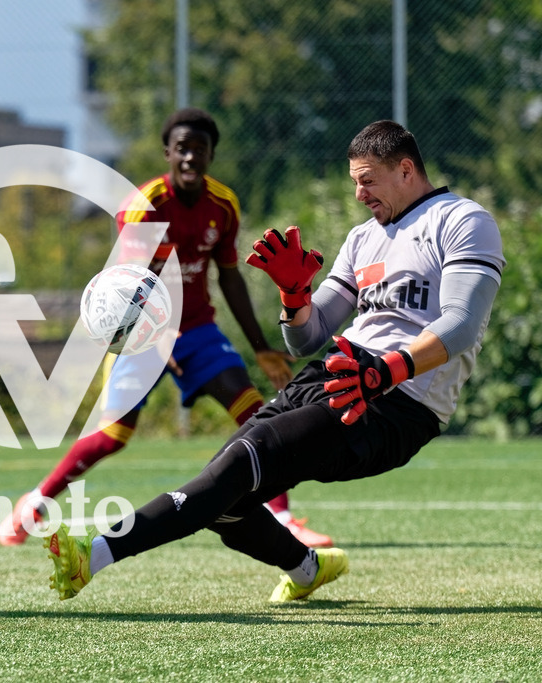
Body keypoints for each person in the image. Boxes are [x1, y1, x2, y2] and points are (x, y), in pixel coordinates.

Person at [43, 119, 504, 603]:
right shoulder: (362, 239)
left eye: (367, 180)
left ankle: (93, 554)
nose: (359, 194)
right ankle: (307, 568)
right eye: (354, 183)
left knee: (238, 465)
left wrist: (384, 372)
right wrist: (292, 295)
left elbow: (462, 323)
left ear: (406, 169)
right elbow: (306, 338)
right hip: (338, 374)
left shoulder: (463, 221)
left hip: (397, 401)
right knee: (224, 496)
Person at [0, 108, 332, 548]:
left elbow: (229, 275)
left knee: (257, 414)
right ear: (168, 154)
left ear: (212, 155)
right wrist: (154, 337)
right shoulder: (144, 206)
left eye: (200, 149)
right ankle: (35, 502)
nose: (191, 157)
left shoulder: (223, 205)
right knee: (111, 438)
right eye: (182, 149)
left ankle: (284, 517)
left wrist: (260, 345)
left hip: (198, 330)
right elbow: (130, 282)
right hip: (142, 337)